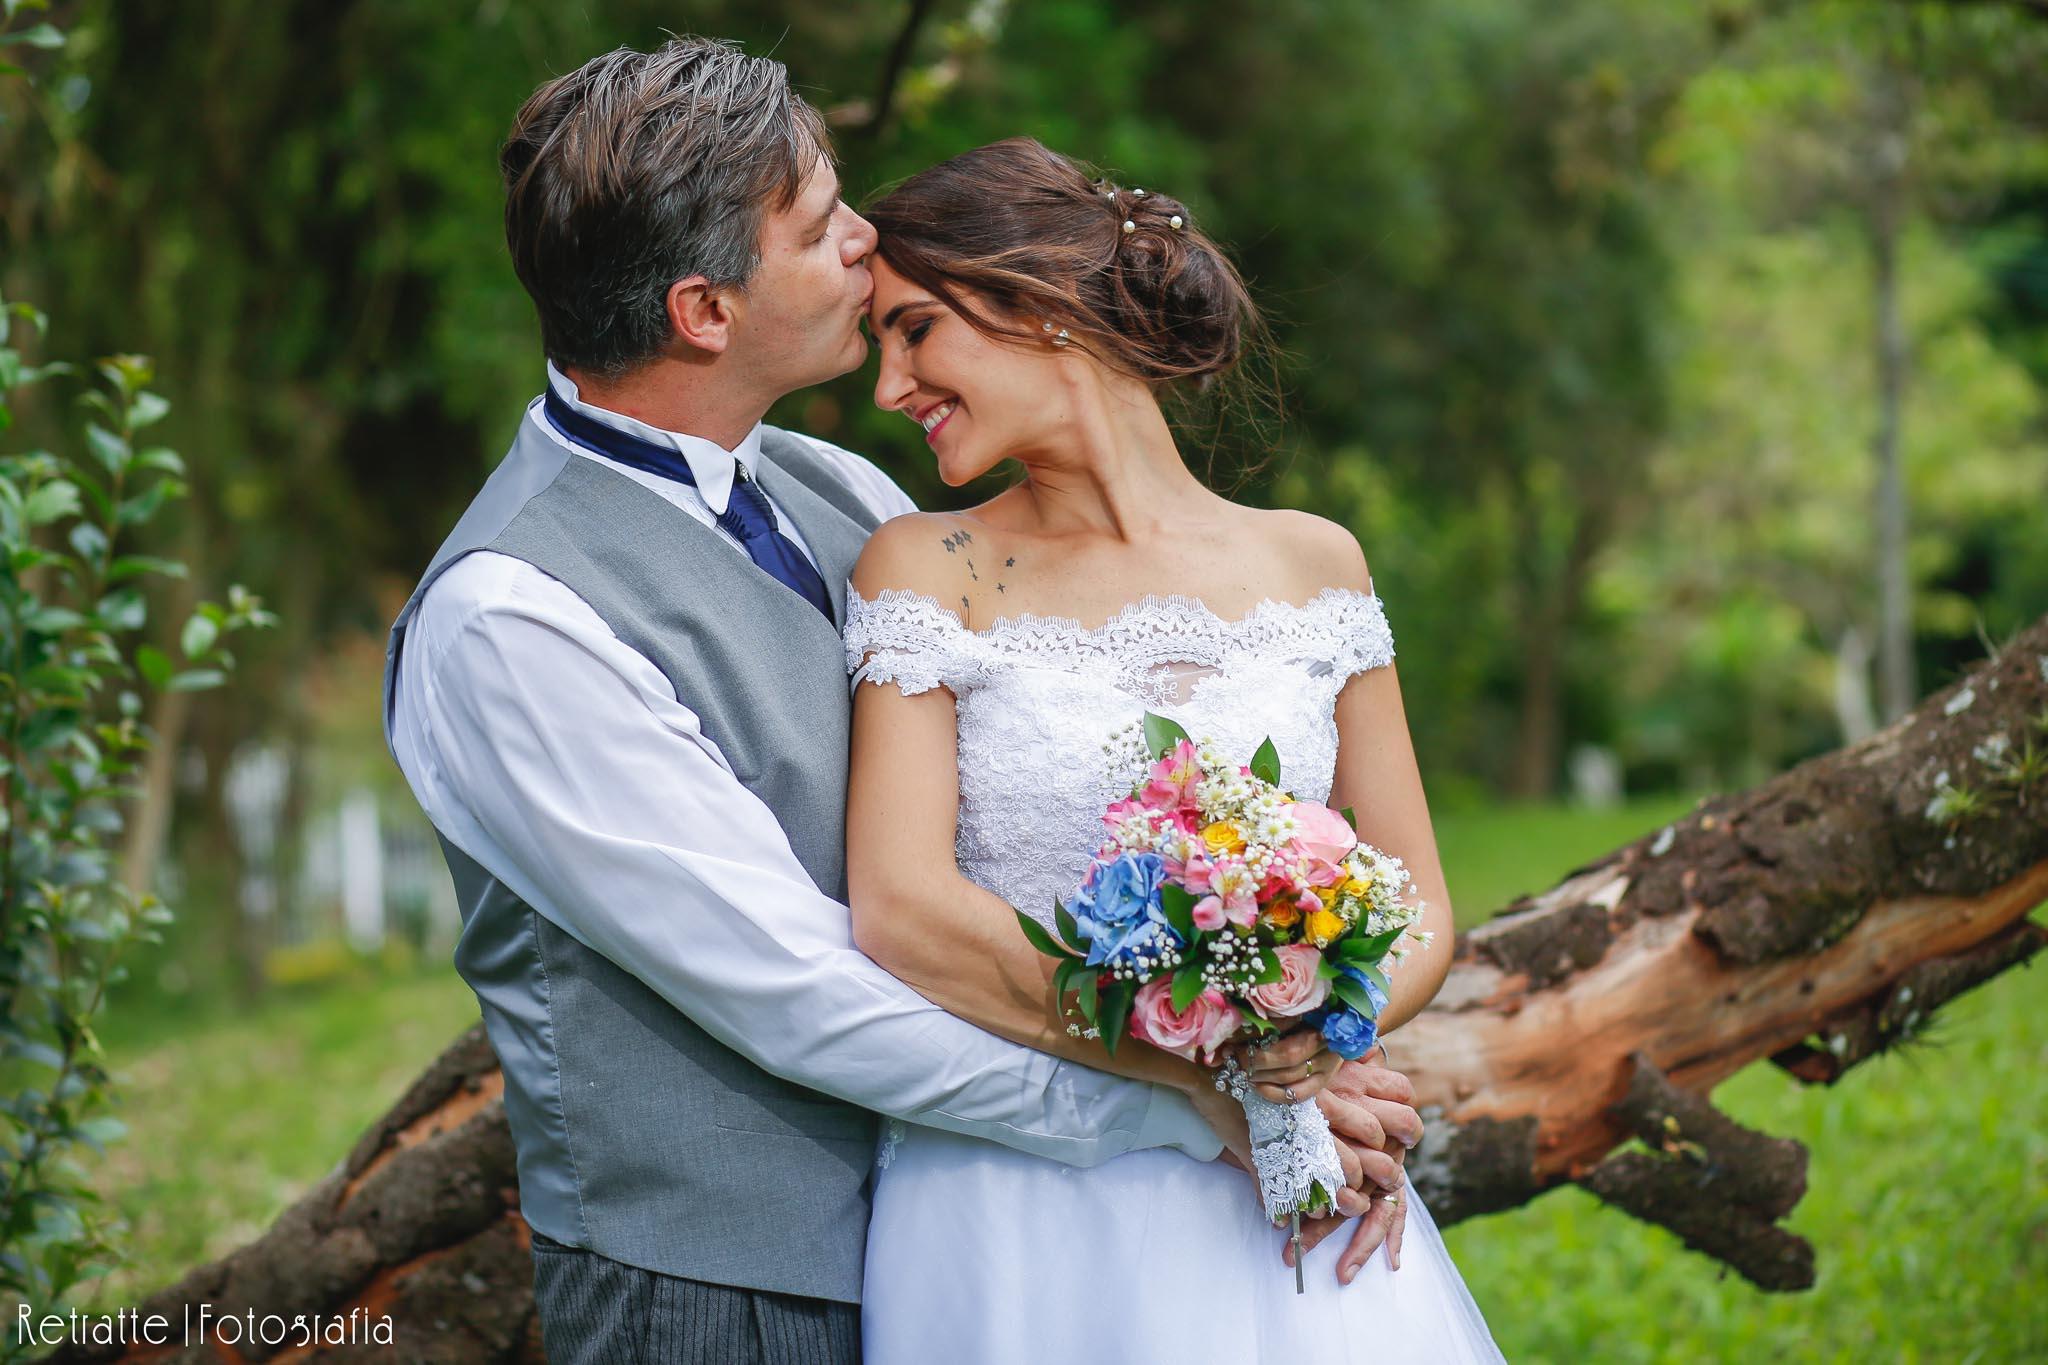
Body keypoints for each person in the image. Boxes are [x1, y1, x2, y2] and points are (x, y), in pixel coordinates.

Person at [383, 40, 1418, 1364]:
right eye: (822, 228)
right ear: (705, 310)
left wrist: (1280, 1031)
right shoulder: (513, 621)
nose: (869, 243)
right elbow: (795, 986)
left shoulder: (838, 494)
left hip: (953, 1229)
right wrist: (1191, 1103)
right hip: (717, 1290)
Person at [845, 137, 1503, 1362]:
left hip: (1282, 1180)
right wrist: (1205, 1068)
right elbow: (900, 909)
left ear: (1031, 300)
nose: (890, 386)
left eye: (914, 330)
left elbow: (1412, 902)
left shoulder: (1316, 564)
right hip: (1014, 1203)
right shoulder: (923, 573)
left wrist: (1311, 1041)